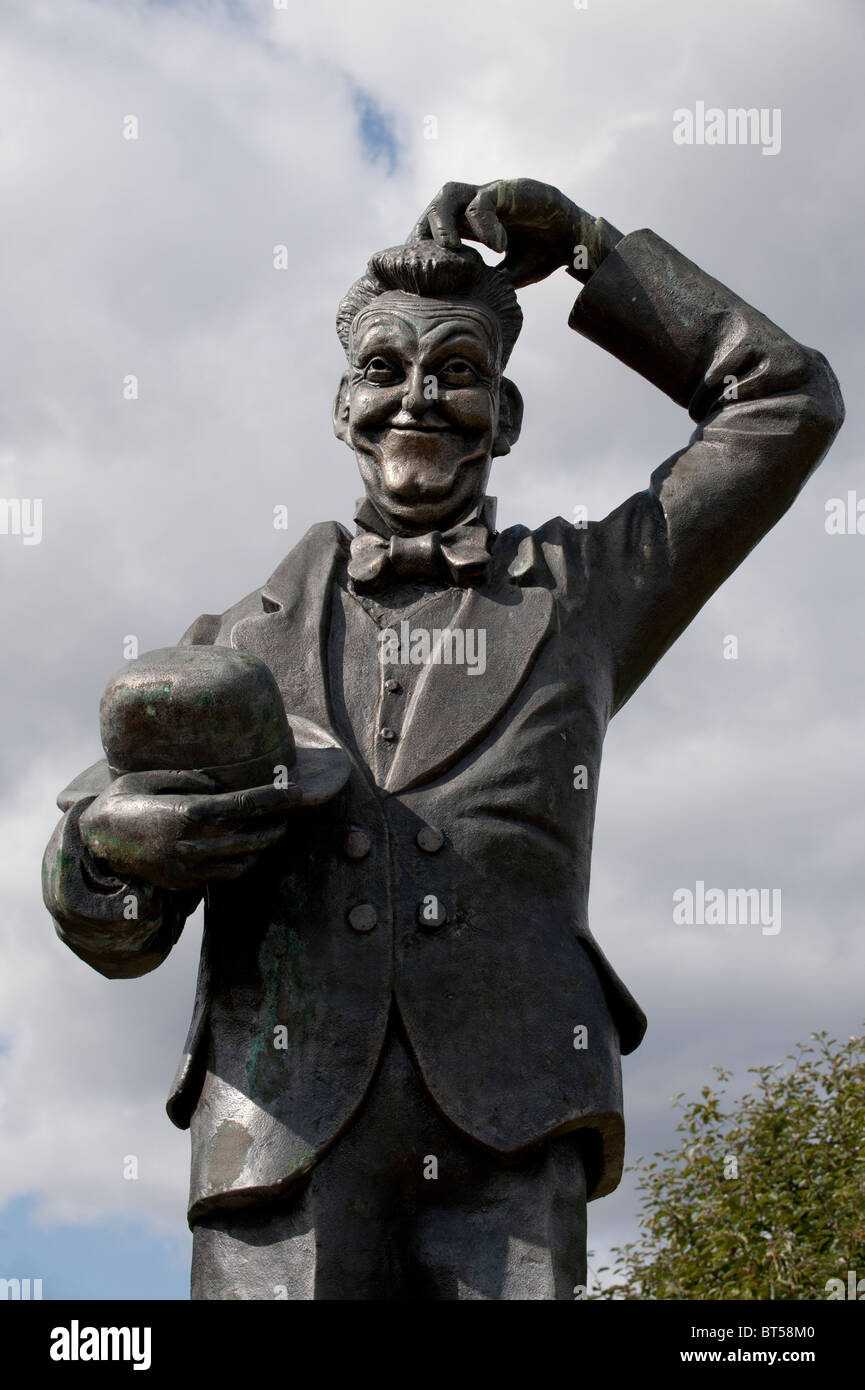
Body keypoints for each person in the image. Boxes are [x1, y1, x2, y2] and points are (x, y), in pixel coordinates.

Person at [42, 178, 844, 1299]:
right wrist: (103, 860)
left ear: (505, 417)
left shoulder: (583, 595)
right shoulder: (229, 647)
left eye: (456, 372)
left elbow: (786, 398)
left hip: (513, 1134)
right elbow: (111, 917)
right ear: (341, 408)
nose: (415, 398)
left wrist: (589, 250)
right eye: (384, 371)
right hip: (277, 1138)